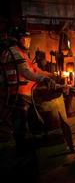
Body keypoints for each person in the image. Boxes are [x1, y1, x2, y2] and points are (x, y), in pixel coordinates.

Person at [3, 26, 55, 155]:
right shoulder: (13, 52)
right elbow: (26, 72)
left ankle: (29, 148)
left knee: (33, 121)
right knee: (21, 126)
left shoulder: (22, 54)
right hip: (17, 95)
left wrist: (51, 76)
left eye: (29, 38)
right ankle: (22, 154)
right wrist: (44, 79)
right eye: (25, 38)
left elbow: (35, 70)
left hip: (25, 94)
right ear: (18, 39)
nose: (28, 41)